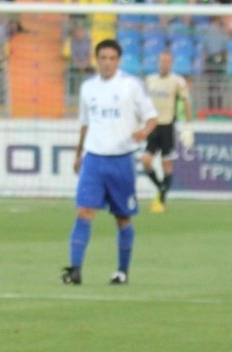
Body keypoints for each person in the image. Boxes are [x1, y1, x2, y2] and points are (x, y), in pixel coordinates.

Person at [62, 39, 156, 287]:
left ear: (119, 61)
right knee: (84, 211)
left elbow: (151, 117)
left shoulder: (131, 85)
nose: (107, 63)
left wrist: (143, 133)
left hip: (121, 160)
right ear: (97, 60)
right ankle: (75, 270)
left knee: (123, 218)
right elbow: (85, 123)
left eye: (112, 58)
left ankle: (122, 272)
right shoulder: (88, 88)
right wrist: (78, 153)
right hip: (94, 159)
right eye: (103, 58)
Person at [142, 49, 193, 214]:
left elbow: (186, 102)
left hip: (167, 126)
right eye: (162, 61)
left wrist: (188, 125)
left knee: (167, 165)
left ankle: (161, 201)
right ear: (158, 62)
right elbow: (142, 103)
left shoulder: (177, 81)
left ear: (171, 64)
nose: (164, 64)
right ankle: (161, 187)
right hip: (152, 125)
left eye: (167, 61)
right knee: (146, 160)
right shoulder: (150, 80)